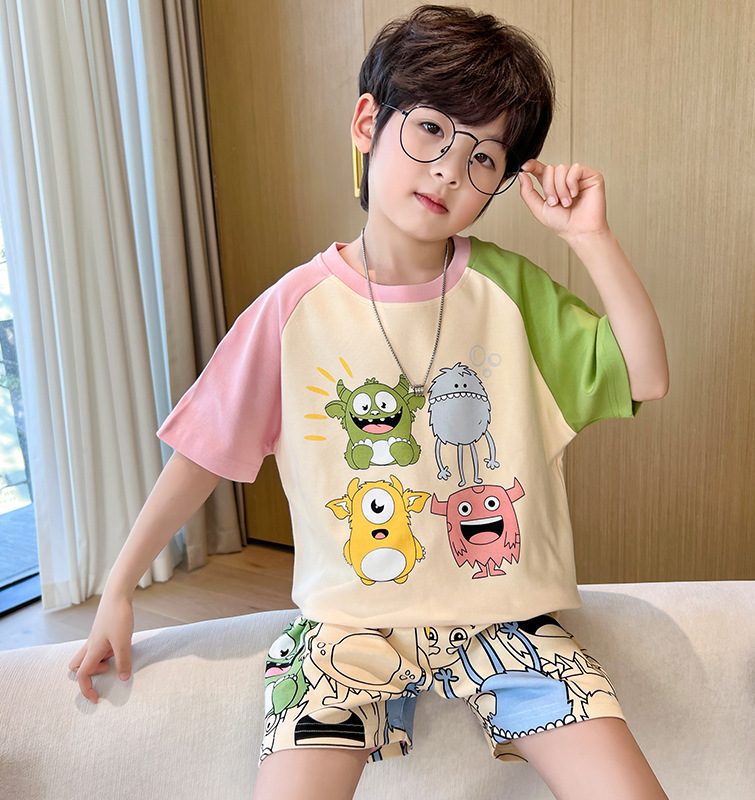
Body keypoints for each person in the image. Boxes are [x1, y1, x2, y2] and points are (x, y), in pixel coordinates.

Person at [70, 5, 669, 799]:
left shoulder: (511, 294)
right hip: (347, 626)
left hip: (508, 617)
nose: (449, 170)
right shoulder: (292, 311)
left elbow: (644, 375)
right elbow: (203, 452)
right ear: (367, 123)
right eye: (431, 130)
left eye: (483, 156)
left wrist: (590, 238)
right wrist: (118, 588)